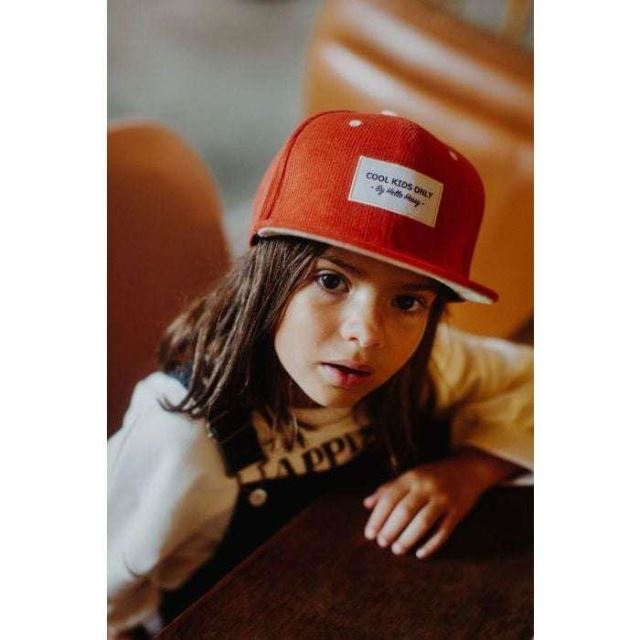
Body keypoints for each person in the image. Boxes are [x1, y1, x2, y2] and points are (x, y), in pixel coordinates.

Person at [107, 111, 533, 637]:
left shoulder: (429, 365)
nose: (367, 334)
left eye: (407, 301)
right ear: (266, 278)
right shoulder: (182, 436)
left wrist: (473, 470)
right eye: (332, 280)